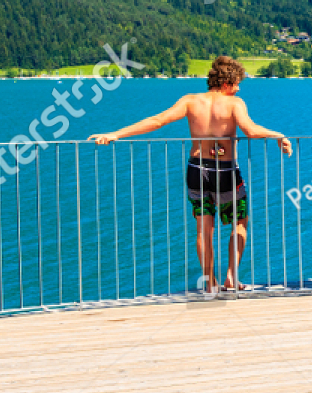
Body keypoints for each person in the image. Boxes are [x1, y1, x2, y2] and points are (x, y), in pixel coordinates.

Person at [89, 56, 293, 294]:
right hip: (225, 171)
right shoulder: (234, 103)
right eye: (237, 83)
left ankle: (210, 283)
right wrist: (278, 135)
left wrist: (116, 134)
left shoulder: (190, 100)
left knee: (203, 229)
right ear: (227, 82)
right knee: (240, 222)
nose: (238, 88)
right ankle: (231, 277)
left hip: (197, 170)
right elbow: (251, 130)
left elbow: (157, 121)